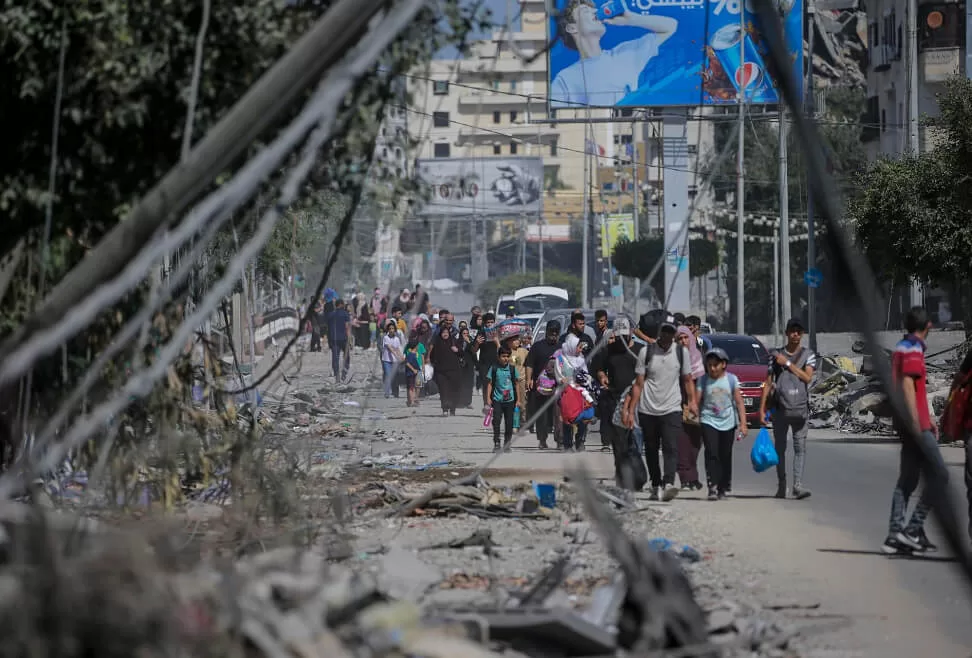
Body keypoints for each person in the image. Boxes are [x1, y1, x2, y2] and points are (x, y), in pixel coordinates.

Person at [881, 307, 948, 555]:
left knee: (907, 481)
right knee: (940, 475)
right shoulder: (913, 348)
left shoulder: (901, 346)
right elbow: (908, 385)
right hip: (914, 426)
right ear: (928, 326)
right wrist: (917, 423)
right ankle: (912, 528)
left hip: (910, 423)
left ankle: (894, 535)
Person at [621, 316, 695, 501]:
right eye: (665, 331)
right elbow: (638, 384)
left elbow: (687, 379)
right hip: (648, 409)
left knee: (671, 446)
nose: (668, 335)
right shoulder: (646, 353)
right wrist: (630, 411)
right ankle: (656, 485)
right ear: (659, 333)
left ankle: (668, 483)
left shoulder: (681, 353)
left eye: (671, 332)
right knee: (652, 449)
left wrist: (692, 401)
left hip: (671, 408)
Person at [551, 0, 677, 108]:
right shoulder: (564, 79)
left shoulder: (625, 54)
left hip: (629, 131)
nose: (595, 12)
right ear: (572, 28)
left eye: (593, 9)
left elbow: (670, 26)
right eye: (585, 11)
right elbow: (556, 118)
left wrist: (632, 19)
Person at [758, 317, 817, 500]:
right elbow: (767, 383)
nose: (796, 334)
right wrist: (762, 409)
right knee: (780, 448)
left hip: (800, 409)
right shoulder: (775, 355)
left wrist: (788, 364)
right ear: (786, 333)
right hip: (780, 409)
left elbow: (808, 378)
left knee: (800, 448)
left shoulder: (809, 355)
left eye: (799, 331)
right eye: (793, 331)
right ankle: (782, 485)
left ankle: (798, 485)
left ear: (803, 334)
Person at [696, 347, 747, 501]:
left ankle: (723, 487)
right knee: (712, 452)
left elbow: (739, 403)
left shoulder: (731, 380)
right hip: (708, 419)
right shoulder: (703, 379)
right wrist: (692, 408)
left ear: (723, 364)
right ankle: (712, 485)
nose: (712, 368)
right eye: (709, 365)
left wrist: (743, 424)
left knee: (725, 455)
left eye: (715, 365)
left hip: (728, 422)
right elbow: (696, 400)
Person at [599, 318, 645, 475]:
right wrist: (602, 376)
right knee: (618, 441)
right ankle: (621, 471)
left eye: (624, 335)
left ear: (631, 333)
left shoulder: (640, 351)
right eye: (618, 336)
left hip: (637, 400)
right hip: (615, 399)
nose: (622, 339)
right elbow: (598, 368)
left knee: (636, 437)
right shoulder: (608, 350)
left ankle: (635, 471)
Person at [676, 325, 705, 491]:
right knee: (682, 442)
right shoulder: (673, 359)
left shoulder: (699, 358)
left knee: (696, 442)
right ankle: (685, 477)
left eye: (686, 338)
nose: (683, 341)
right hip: (677, 404)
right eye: (679, 339)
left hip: (697, 405)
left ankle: (693, 476)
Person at [525, 320, 562, 449]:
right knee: (542, 415)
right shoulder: (537, 346)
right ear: (546, 332)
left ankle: (559, 440)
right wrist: (529, 379)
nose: (553, 334)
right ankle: (542, 440)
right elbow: (529, 363)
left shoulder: (562, 347)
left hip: (558, 386)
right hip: (540, 387)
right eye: (551, 331)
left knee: (558, 415)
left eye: (556, 332)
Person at [486, 346, 520, 452]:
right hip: (497, 400)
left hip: (510, 401)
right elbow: (490, 384)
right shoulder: (494, 368)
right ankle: (497, 442)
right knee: (496, 421)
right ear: (498, 357)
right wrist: (488, 398)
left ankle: (507, 443)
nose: (505, 358)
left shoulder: (512, 369)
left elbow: (517, 384)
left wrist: (518, 400)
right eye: (503, 356)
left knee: (509, 423)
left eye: (507, 356)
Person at [429, 324, 463, 416]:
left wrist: (457, 350)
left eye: (446, 332)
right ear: (440, 333)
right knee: (443, 391)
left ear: (449, 333)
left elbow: (462, 353)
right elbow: (432, 356)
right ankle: (444, 409)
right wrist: (434, 363)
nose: (445, 334)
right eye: (443, 332)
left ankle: (452, 409)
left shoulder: (453, 341)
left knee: (453, 390)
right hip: (441, 371)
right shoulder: (437, 342)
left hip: (454, 370)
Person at [472, 312, 500, 410]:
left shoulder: (498, 333)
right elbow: (474, 350)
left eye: (491, 322)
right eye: (488, 322)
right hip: (484, 363)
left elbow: (503, 350)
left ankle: (494, 403)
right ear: (484, 323)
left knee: (496, 383)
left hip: (496, 362)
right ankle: (486, 404)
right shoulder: (481, 333)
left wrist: (497, 342)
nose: (489, 324)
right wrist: (477, 343)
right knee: (486, 383)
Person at [327, 299, 352, 380]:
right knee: (346, 356)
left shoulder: (330, 315)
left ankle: (337, 374)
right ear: (341, 304)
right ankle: (344, 373)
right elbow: (347, 327)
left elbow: (328, 328)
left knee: (335, 357)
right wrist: (350, 340)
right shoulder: (345, 314)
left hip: (333, 339)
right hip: (344, 339)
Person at [380, 321, 404, 399]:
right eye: (390, 329)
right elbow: (390, 348)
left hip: (394, 361)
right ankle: (387, 392)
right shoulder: (385, 338)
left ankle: (394, 392)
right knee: (388, 375)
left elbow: (397, 349)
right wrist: (397, 356)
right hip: (386, 360)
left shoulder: (397, 339)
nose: (391, 330)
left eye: (393, 328)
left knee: (394, 376)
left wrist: (402, 357)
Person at [458, 326, 477, 408]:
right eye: (463, 334)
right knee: (461, 383)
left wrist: (468, 342)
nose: (465, 335)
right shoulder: (457, 342)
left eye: (467, 333)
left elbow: (474, 352)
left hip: (469, 365)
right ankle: (460, 401)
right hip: (459, 365)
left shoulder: (471, 342)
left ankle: (468, 402)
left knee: (469, 384)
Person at [404, 339, 422, 408]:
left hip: (415, 373)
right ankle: (411, 402)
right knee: (411, 388)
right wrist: (413, 369)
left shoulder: (414, 354)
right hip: (410, 374)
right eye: (417, 346)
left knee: (413, 387)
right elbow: (407, 363)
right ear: (415, 346)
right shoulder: (411, 354)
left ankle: (412, 401)